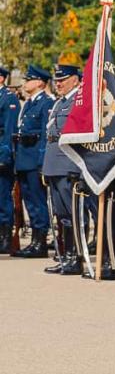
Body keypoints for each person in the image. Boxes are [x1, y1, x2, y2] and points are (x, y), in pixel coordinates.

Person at [42, 64, 83, 274]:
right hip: (54, 164)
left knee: (72, 213)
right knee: (62, 214)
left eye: (63, 80)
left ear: (75, 80)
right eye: (56, 80)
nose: (58, 84)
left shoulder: (79, 101)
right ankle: (66, 256)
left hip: (68, 163)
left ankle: (76, 258)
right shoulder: (60, 103)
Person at [11, 65, 54, 258]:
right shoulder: (28, 104)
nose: (25, 83)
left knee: (38, 201)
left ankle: (40, 242)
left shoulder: (46, 103)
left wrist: (42, 162)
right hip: (23, 158)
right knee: (29, 201)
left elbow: (46, 135)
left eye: (29, 80)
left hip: (35, 158)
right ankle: (35, 241)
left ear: (39, 83)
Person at [0, 66, 19, 254]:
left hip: (2, 154)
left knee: (2, 197)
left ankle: (6, 237)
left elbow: (9, 129)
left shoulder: (8, 98)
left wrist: (4, 155)